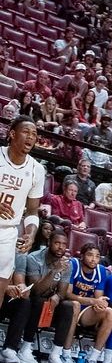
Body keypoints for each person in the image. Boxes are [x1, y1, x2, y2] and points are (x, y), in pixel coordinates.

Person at [2, 227, 67, 363]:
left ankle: (10, 349)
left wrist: (21, 288)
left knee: (24, 301)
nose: (18, 241)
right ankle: (24, 346)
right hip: (5, 292)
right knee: (37, 300)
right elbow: (38, 290)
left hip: (8, 297)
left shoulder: (19, 255)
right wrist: (6, 288)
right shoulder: (33, 258)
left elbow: (20, 280)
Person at [0, 120, 46, 292]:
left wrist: (31, 233)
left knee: (1, 285)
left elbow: (33, 210)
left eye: (34, 134)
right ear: (12, 134)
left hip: (7, 231)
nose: (31, 137)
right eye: (26, 132)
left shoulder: (37, 169)